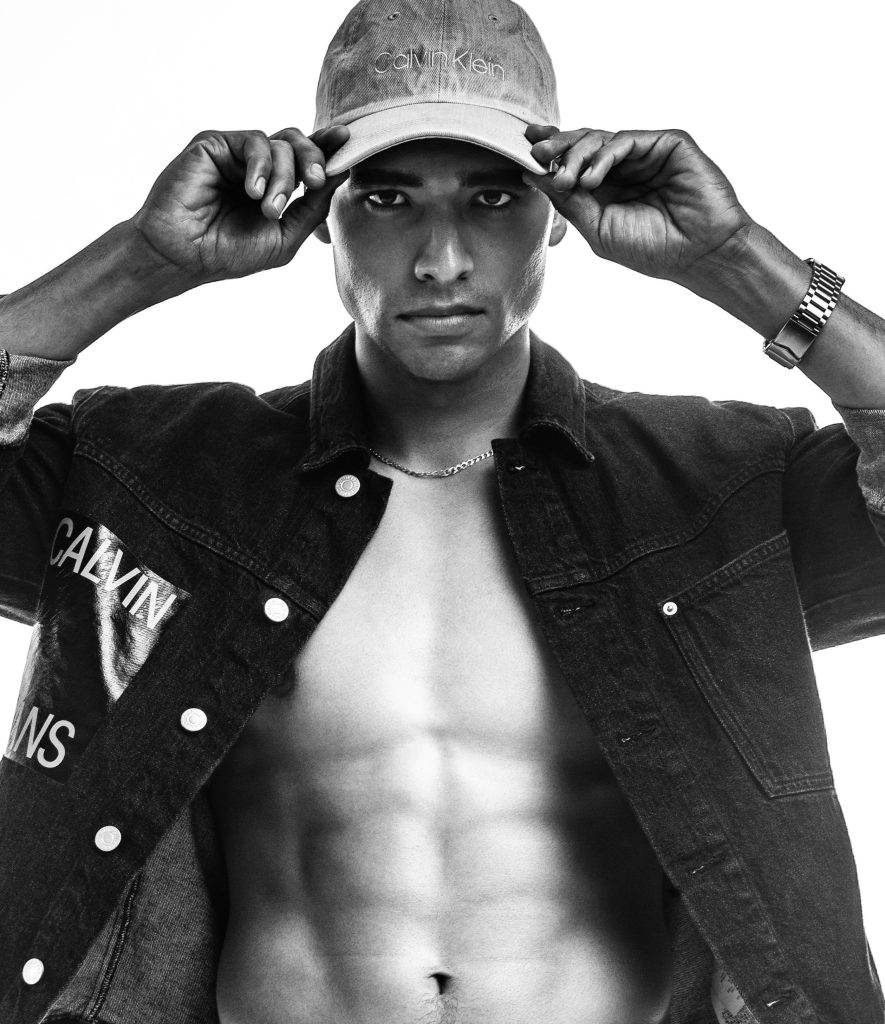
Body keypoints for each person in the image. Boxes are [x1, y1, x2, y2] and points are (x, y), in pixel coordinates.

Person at [1, 0, 884, 1022]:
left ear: (560, 212)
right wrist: (142, 259)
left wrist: (737, 260)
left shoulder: (725, 482)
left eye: (493, 197)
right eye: (385, 198)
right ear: (316, 211)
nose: (441, 259)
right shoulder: (149, 471)